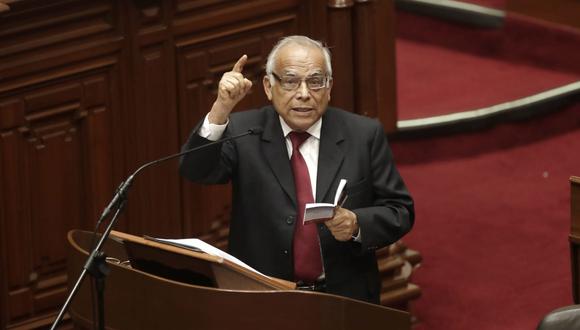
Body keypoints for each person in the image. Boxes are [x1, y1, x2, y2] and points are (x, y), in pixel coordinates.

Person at [180, 35, 414, 304]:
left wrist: (356, 224)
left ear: (329, 87)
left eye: (315, 81)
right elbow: (195, 170)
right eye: (290, 81)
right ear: (269, 87)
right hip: (264, 298)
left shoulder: (363, 135)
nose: (304, 93)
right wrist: (221, 109)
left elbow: (400, 210)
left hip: (344, 298)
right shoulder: (244, 131)